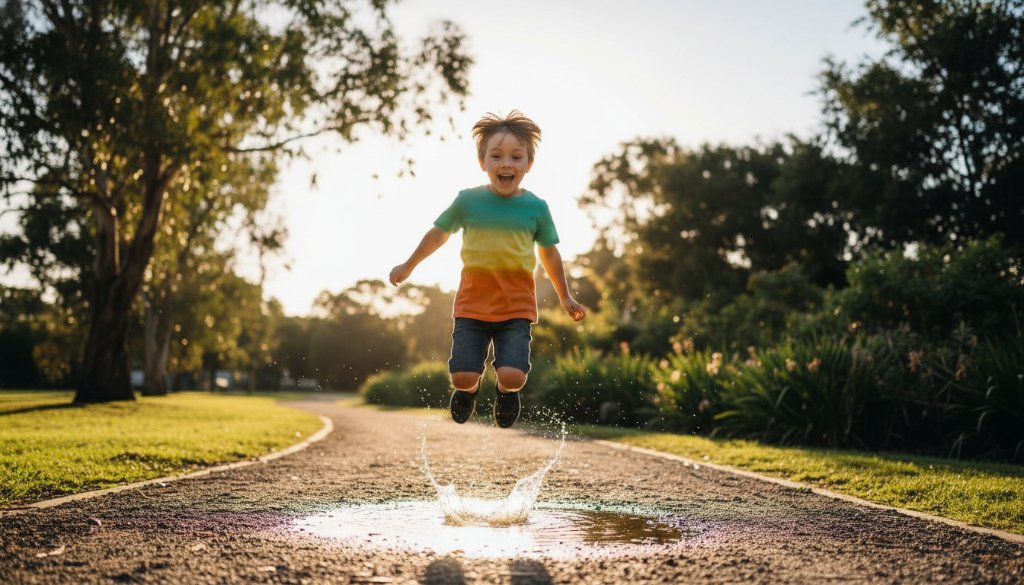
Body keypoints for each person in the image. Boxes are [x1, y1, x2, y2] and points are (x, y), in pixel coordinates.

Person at [389, 110, 586, 428]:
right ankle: (469, 392)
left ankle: (506, 394)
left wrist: (565, 297)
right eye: (496, 155)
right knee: (463, 376)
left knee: (513, 376)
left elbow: (549, 254)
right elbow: (439, 233)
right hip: (472, 307)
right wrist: (409, 264)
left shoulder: (536, 208)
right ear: (483, 162)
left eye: (516, 157)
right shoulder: (468, 201)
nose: (506, 163)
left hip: (516, 308)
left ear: (528, 165)